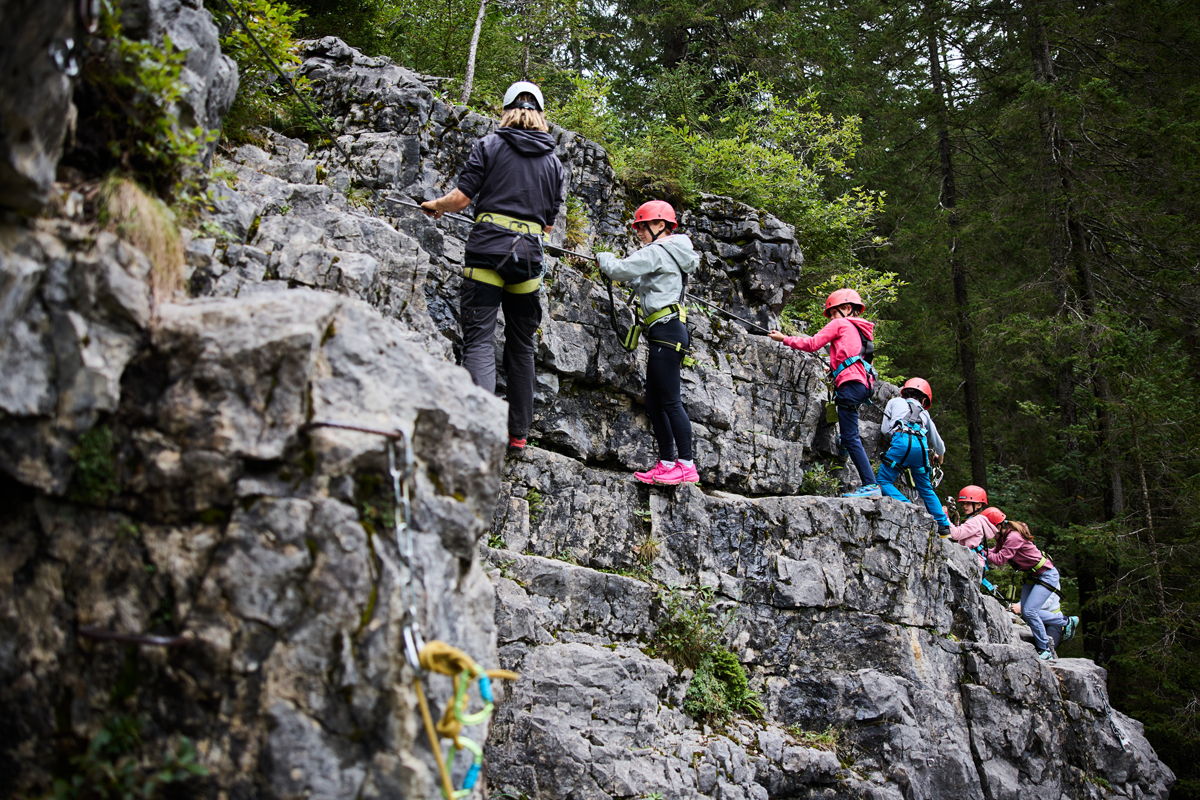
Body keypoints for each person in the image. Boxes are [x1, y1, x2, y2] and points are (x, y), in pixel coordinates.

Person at [421, 81, 566, 451]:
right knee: (520, 345)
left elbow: (462, 198)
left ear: (506, 110)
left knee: (481, 340)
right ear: (541, 114)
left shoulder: (489, 146)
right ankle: (518, 433)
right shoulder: (554, 163)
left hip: (487, 250)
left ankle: (481, 427)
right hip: (528, 258)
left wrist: (434, 205)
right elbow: (548, 226)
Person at [597, 201, 700, 485]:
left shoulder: (658, 250)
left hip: (667, 332)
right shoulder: (672, 253)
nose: (639, 231)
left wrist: (603, 257)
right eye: (638, 226)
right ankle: (667, 462)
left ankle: (686, 465)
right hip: (665, 332)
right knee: (655, 402)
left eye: (644, 225)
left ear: (661, 226)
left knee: (669, 401)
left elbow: (618, 270)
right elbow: (647, 280)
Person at [769, 289, 879, 497]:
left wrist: (784, 338)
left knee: (850, 437)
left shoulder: (840, 324)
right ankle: (856, 468)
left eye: (833, 313)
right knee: (849, 434)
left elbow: (812, 345)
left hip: (850, 385)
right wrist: (836, 369)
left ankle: (870, 484)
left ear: (847, 308)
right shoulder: (862, 332)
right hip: (861, 386)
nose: (831, 318)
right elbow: (857, 360)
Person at [985, 518, 1069, 660]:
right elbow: (994, 551)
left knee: (1029, 611)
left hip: (1045, 576)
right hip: (1033, 575)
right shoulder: (1003, 536)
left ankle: (1045, 649)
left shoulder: (1013, 537)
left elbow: (999, 559)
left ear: (998, 526)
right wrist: (981, 550)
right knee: (1027, 611)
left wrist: (982, 551)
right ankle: (1066, 622)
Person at [876, 378, 951, 533]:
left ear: (905, 392)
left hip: (901, 443)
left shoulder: (894, 402)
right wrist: (940, 457)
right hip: (921, 447)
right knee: (925, 487)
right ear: (924, 399)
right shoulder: (925, 413)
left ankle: (908, 506)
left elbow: (885, 430)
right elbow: (938, 443)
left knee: (883, 481)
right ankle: (943, 526)